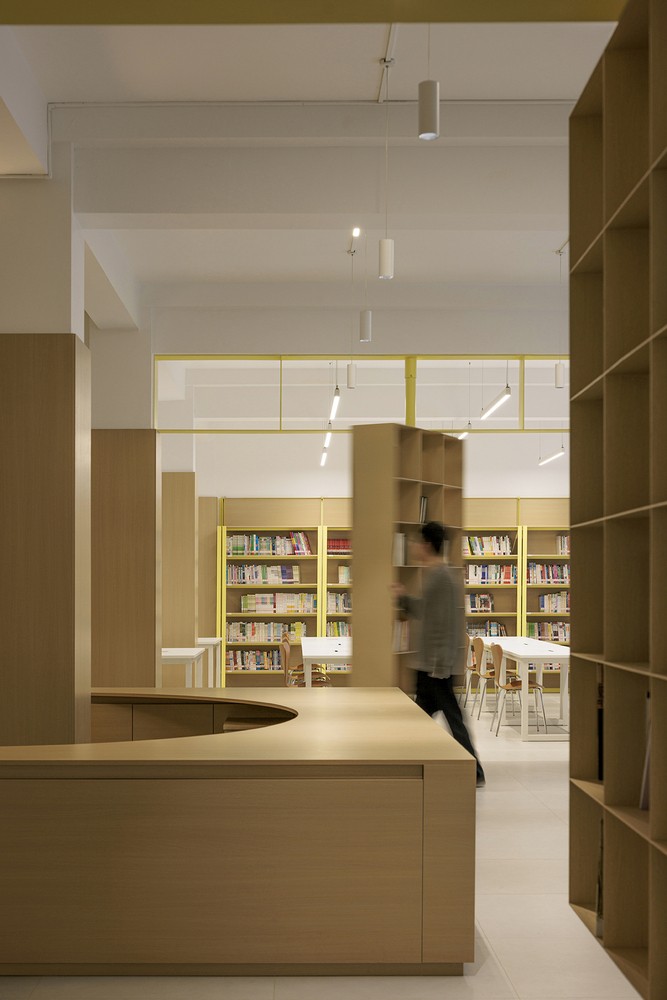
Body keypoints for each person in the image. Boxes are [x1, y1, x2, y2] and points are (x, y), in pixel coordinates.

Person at [393, 520, 485, 787]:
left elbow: (445, 624)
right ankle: (414, 763)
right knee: (426, 716)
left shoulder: (442, 577)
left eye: (416, 542)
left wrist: (440, 666)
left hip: (435, 666)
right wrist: (403, 597)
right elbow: (425, 610)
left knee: (450, 717)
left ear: (426, 545)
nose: (413, 546)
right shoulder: (435, 575)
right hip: (430, 663)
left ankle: (474, 770)